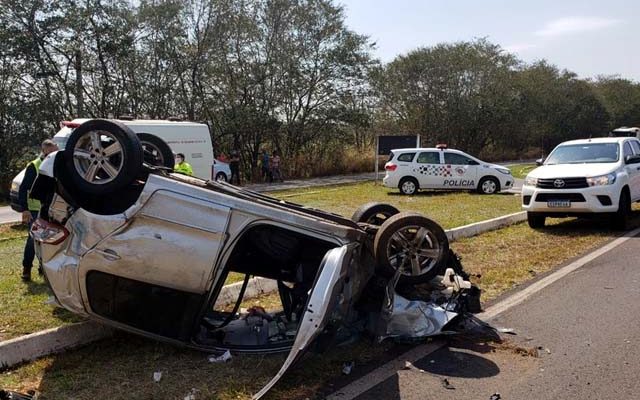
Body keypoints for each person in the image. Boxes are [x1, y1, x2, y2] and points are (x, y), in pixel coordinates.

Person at [18, 139, 58, 281]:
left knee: (49, 239)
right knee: (33, 239)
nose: (55, 154)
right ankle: (26, 268)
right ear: (45, 151)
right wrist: (25, 209)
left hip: (51, 208)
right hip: (35, 209)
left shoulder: (57, 165)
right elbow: (23, 189)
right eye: (53, 151)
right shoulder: (34, 166)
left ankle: (44, 268)